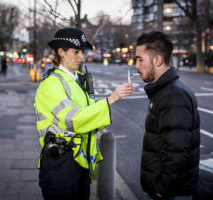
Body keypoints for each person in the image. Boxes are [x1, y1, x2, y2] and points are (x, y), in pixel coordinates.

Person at [34, 27, 134, 200]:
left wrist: (103, 110)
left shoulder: (78, 80)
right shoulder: (51, 83)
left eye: (82, 51)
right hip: (60, 164)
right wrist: (111, 99)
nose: (81, 56)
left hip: (79, 162)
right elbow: (74, 119)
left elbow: (89, 119)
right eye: (76, 51)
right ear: (61, 52)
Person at [134, 31, 200, 200]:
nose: (136, 65)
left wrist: (160, 191)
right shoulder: (165, 91)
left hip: (171, 194)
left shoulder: (173, 95)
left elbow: (177, 154)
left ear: (157, 60)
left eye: (140, 59)